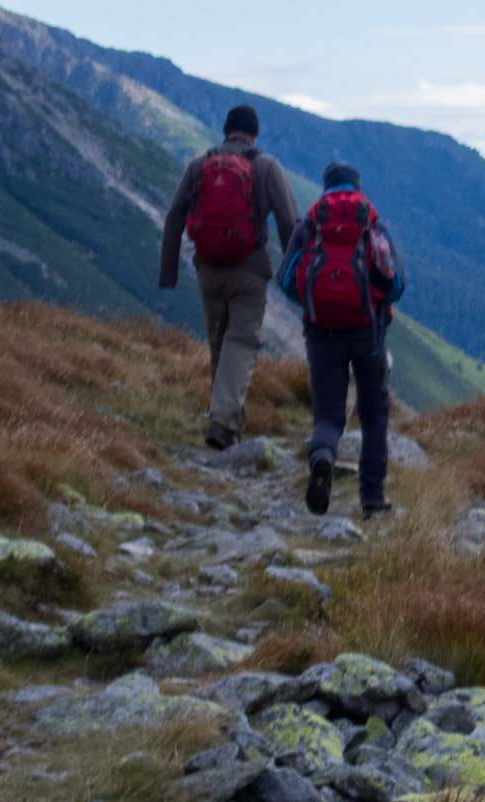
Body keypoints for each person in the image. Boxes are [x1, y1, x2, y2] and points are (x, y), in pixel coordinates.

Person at [159, 105, 299, 451]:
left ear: (225, 130)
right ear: (254, 134)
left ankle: (227, 424)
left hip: (207, 270)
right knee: (242, 341)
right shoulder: (266, 167)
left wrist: (169, 273)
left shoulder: (199, 165)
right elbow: (288, 222)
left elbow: (175, 216)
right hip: (249, 271)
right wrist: (293, 273)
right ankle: (222, 422)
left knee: (219, 341)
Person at [280, 163, 406, 518]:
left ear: (325, 187)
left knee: (329, 415)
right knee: (374, 415)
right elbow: (397, 285)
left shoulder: (310, 224)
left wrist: (314, 304)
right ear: (357, 186)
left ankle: (322, 457)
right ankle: (372, 500)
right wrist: (374, 299)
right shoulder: (373, 224)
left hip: (321, 334)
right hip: (368, 333)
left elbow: (287, 279)